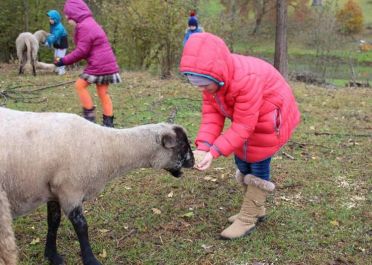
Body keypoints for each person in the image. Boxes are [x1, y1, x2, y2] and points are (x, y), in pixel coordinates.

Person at [179, 33, 301, 240]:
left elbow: (244, 125)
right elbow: (212, 116)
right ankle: (256, 207)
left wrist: (215, 151)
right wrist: (203, 146)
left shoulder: (246, 81)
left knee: (257, 164)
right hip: (249, 117)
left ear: (217, 77)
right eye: (195, 83)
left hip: (270, 119)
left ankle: (248, 218)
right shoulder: (212, 83)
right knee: (242, 162)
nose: (201, 89)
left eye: (204, 84)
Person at [54, 0, 121, 127]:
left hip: (99, 64)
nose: (67, 19)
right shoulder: (90, 22)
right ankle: (108, 124)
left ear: (75, 14)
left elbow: (81, 51)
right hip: (107, 63)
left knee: (80, 85)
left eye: (68, 16)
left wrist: (63, 60)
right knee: (103, 93)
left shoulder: (84, 26)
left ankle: (89, 119)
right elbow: (86, 50)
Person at [46, 10, 68, 75]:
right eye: (49, 19)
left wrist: (48, 42)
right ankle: (57, 68)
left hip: (62, 43)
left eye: (51, 19)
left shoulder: (59, 27)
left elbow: (54, 36)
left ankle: (62, 70)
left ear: (55, 19)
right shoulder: (53, 25)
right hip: (57, 43)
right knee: (56, 56)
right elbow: (51, 35)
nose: (50, 20)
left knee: (60, 57)